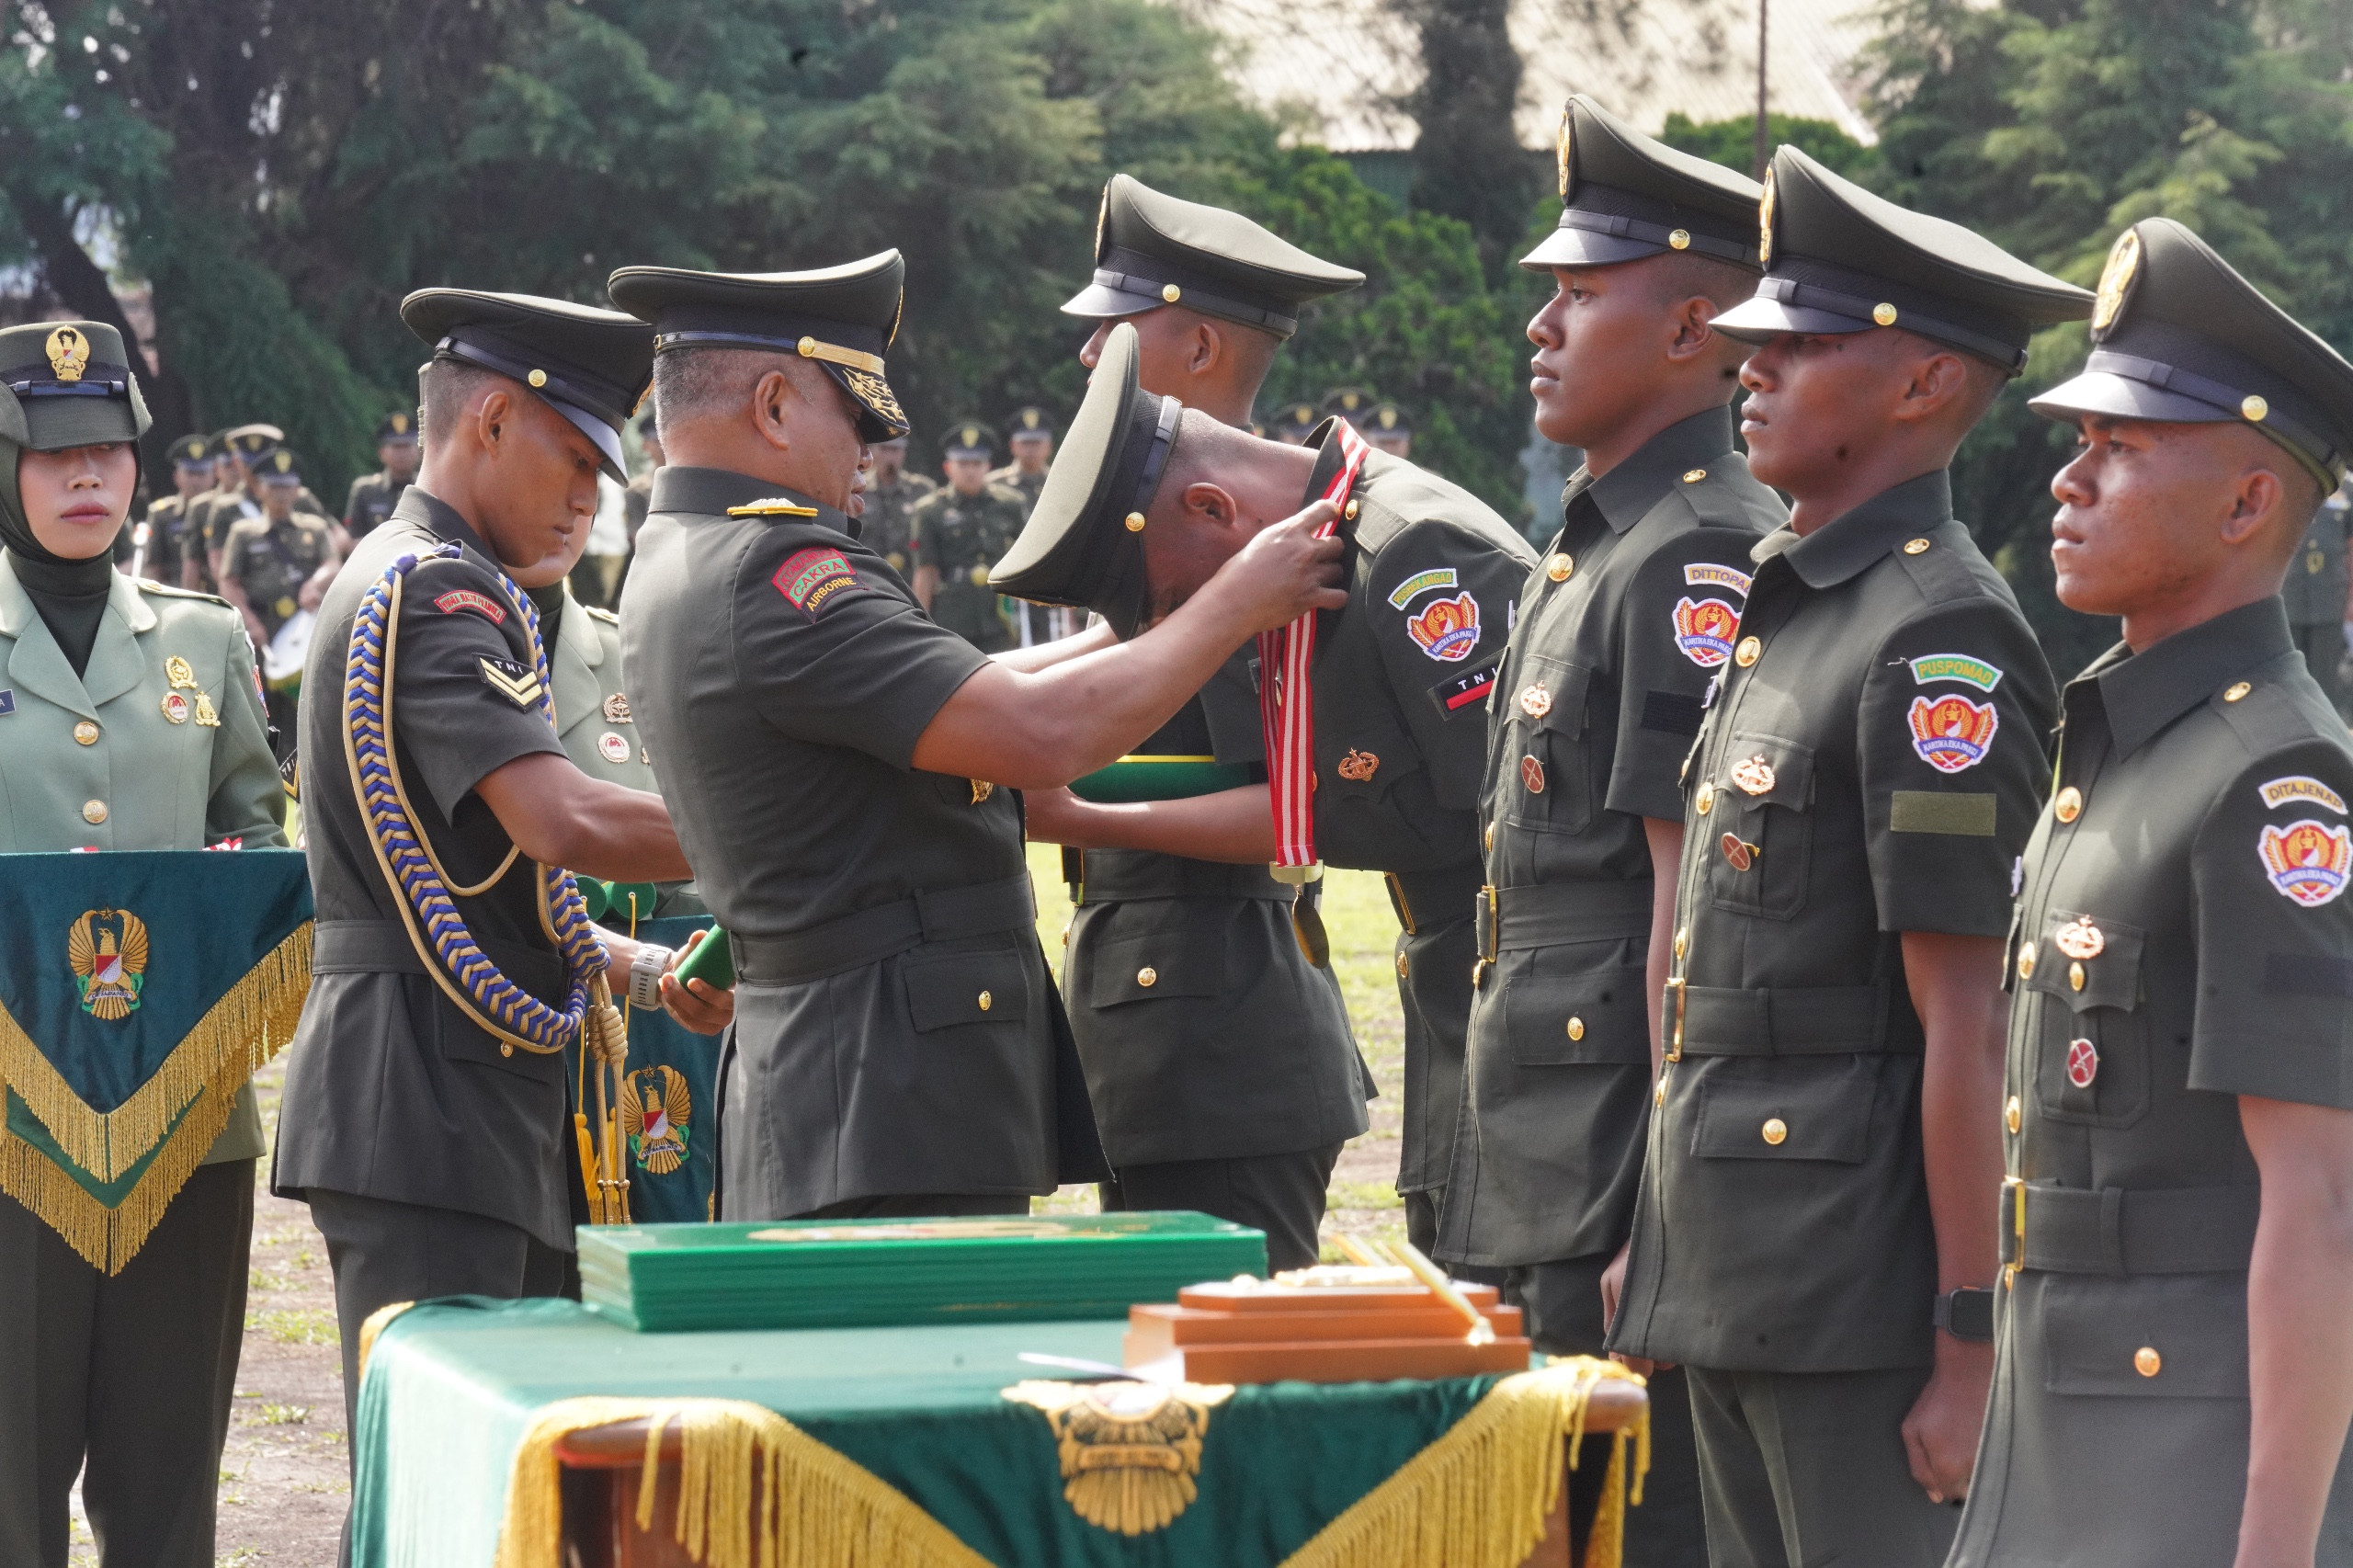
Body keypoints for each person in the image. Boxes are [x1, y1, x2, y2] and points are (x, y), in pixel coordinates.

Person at [606, 253, 1346, 1223]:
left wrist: (1142, 626)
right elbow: (1037, 733)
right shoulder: (781, 574)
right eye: (856, 420)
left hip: (849, 1084)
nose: (867, 455)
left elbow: (966, 690)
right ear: (776, 404)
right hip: (890, 1098)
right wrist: (1238, 601)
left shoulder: (692, 555)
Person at [1600, 145, 2087, 1568]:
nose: (1750, 369)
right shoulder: (1790, 600)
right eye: (1749, 343)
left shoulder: (1936, 634)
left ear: (1922, 384)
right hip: (1741, 1260)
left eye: (1798, 347)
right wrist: (1660, 1231)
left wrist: (1967, 1339)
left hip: (1859, 1294)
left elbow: (1968, 1015)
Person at [1944, 217, 2353, 1568]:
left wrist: (2277, 1547)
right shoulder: (2122, 752)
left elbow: (2324, 1199)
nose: (2072, 481)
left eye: (2121, 450)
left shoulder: (2276, 778)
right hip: (2067, 1441)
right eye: (2079, 444)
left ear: (2247, 506)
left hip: (2188, 1479)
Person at [271, 290, 710, 1487]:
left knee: (489, 1494)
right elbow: (558, 817)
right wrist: (790, 833)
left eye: (605, 470)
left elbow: (481, 875)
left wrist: (633, 967)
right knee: (441, 1495)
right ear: (492, 422)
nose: (590, 498)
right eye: (573, 459)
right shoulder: (447, 594)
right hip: (426, 1103)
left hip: (439, 1093)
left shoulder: (422, 576)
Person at [1430, 96, 1782, 1567]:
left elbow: (1683, 909)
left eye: (1580, 297)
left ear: (1695, 327)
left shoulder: (1696, 547)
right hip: (1533, 1138)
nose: (1542, 326)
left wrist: (1660, 1202)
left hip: (1605, 1162)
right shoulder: (1599, 543)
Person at [1002, 322, 1536, 1264]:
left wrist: (1084, 813)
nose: (1182, 630)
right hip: (1457, 991)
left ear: (1210, 509)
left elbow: (1524, 836)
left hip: (1516, 1010)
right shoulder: (1322, 547)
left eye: (1168, 601)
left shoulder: (1408, 551)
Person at [1047, 173, 1370, 1270]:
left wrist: (1079, 811)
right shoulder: (1155, 520)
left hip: (1221, 1038)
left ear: (1192, 350)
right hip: (1164, 1027)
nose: (1089, 357)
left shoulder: (1247, 538)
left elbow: (1299, 805)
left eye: (1114, 333)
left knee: (1235, 1375)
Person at [0, 321, 283, 1568]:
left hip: (183, 1119)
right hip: (10, 1120)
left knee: (169, 1481)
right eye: (57, 455)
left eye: (110, 451)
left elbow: (257, 825)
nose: (88, 479)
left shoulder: (201, 637)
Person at [217, 448, 339, 755]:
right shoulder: (243, 532)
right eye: (274, 485)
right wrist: (250, 622)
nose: (281, 493)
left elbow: (333, 563)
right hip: (264, 630)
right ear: (259, 489)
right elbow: (228, 582)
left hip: (306, 629)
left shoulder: (314, 528)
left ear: (297, 489)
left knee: (312, 702)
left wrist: (316, 583)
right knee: (262, 708)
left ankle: (309, 769)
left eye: (287, 485)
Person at [909, 422, 1028, 649]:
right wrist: (921, 627)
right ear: (948, 467)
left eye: (977, 463)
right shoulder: (930, 510)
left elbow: (1026, 557)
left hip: (1000, 612)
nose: (970, 470)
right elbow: (925, 573)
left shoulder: (1010, 504)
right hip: (953, 615)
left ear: (988, 466)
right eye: (963, 463)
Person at [2283, 479, 2351, 719]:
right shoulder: (2288, 479)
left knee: (2324, 677)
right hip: (2288, 596)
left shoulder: (2347, 491)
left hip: (2329, 597)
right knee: (2287, 674)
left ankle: (2326, 738)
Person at [133, 433, 214, 585]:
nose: (196, 481)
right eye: (190, 473)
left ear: (213, 476)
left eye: (202, 473)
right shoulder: (162, 514)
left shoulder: (225, 512)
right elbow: (154, 568)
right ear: (177, 477)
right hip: (177, 594)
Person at [337, 409, 421, 552]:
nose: (402, 454)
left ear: (419, 451)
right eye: (396, 447)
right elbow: (352, 539)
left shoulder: (426, 488)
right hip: (376, 566)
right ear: (381, 453)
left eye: (407, 446)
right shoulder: (365, 490)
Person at [859, 430, 933, 579]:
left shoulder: (921, 490)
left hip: (910, 579)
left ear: (903, 453)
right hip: (868, 576)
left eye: (895, 450)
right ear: (872, 452)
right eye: (884, 450)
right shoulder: (858, 490)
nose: (889, 456)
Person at [992, 405, 1056, 512]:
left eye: (1037, 443)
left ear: (1049, 446)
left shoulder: (1058, 483)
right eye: (1025, 443)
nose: (1031, 448)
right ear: (1012, 446)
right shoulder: (995, 483)